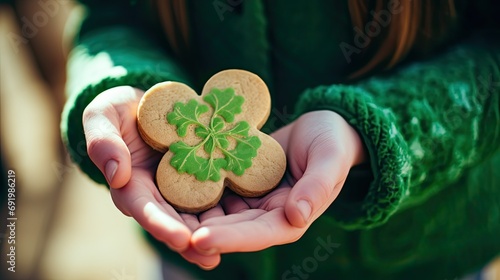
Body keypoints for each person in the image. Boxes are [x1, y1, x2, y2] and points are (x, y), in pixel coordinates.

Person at [61, 0, 500, 279]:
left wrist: (374, 129)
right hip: (198, 267)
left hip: (423, 257)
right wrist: (115, 84)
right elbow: (112, 15)